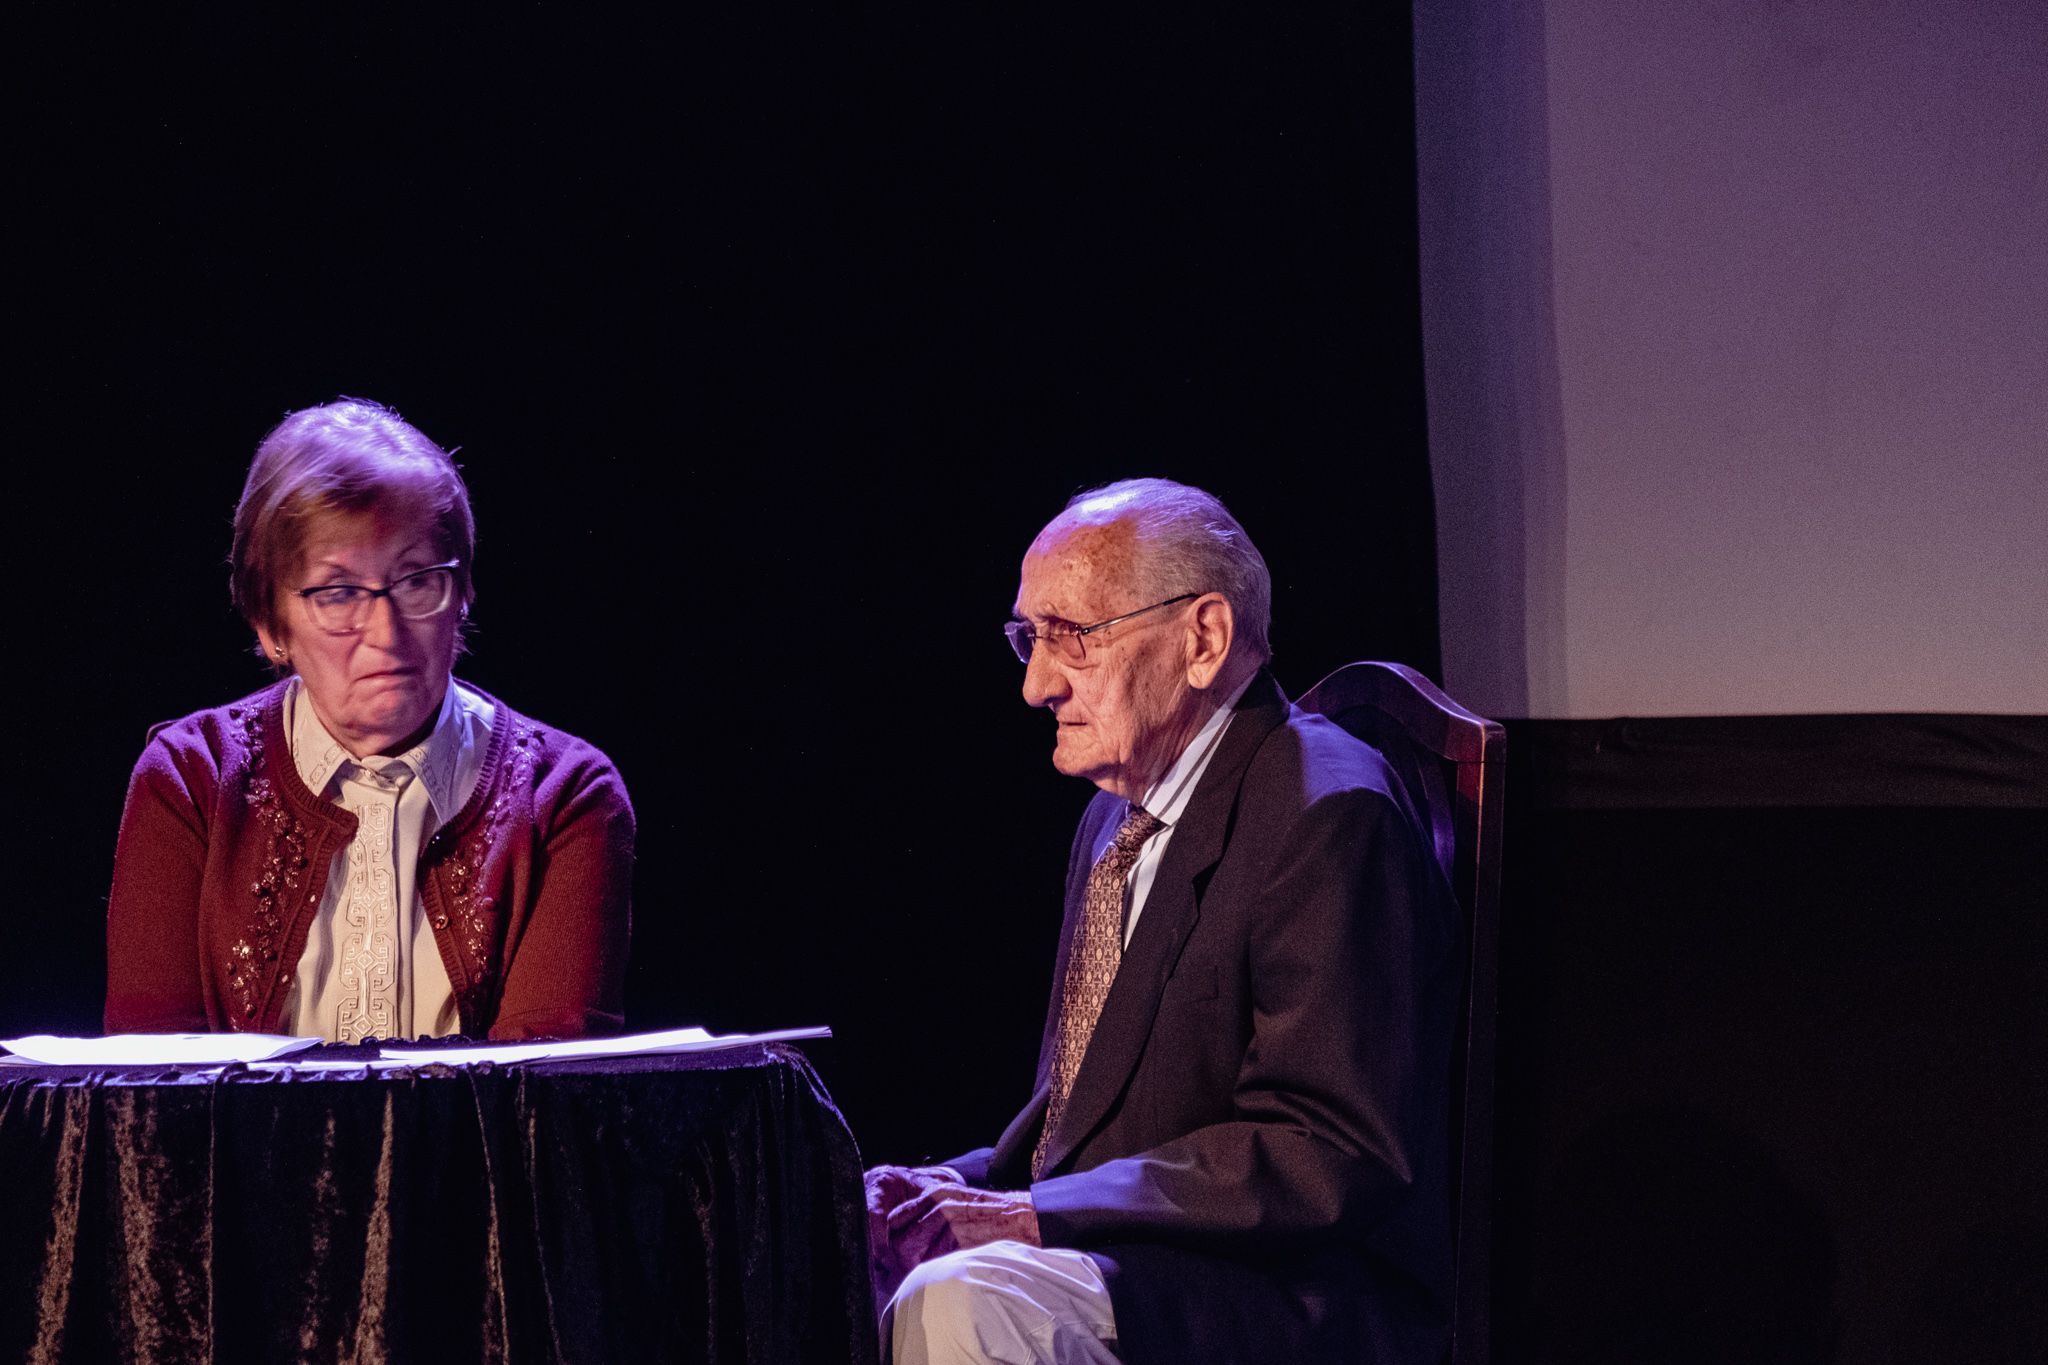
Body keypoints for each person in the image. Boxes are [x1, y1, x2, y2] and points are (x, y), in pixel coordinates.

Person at [866, 479, 1460, 1365]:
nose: (1035, 684)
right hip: (1151, 1262)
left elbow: (1329, 1146)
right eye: (1029, 638)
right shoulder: (1114, 818)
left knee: (963, 1301)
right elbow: (1084, 1135)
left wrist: (1034, 1214)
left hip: (1290, 1294)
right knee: (853, 1259)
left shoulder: (1328, 812)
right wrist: (944, 1190)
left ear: (1204, 639)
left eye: (1071, 636)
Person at [104, 398, 634, 1042]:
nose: (386, 633)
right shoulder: (192, 778)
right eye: (339, 593)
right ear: (271, 626)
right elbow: (154, 1083)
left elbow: (543, 1093)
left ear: (463, 594)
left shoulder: (565, 796)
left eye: (417, 582)